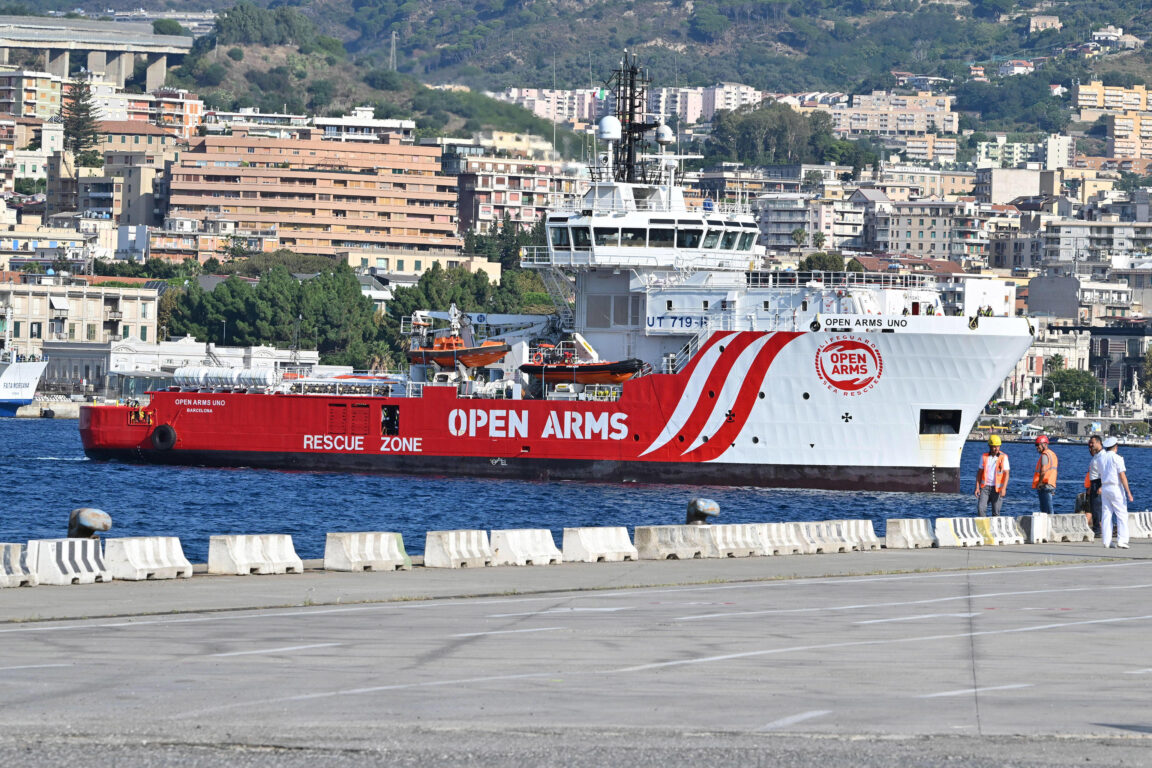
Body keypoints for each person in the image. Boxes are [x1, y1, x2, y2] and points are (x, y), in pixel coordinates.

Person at [1095, 436, 1134, 549]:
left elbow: (1102, 475)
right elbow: (1122, 476)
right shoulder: (1118, 458)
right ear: (1115, 447)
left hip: (1105, 487)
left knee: (1106, 514)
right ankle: (1122, 540)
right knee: (1121, 514)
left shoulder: (1100, 459)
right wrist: (1129, 492)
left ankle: (1106, 541)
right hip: (1116, 487)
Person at [974, 434, 1010, 517]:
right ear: (990, 446)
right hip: (985, 488)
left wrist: (1004, 488)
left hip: (997, 489)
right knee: (981, 509)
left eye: (998, 446)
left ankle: (995, 529)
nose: (996, 448)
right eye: (994, 446)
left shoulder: (1003, 457)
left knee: (996, 512)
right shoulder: (984, 457)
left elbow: (1007, 474)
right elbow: (979, 473)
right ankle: (983, 527)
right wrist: (977, 487)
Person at [1032, 435, 1058, 514]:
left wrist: (1039, 483)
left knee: (1046, 512)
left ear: (1044, 444)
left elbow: (1043, 471)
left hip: (1044, 485)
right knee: (1049, 510)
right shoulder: (1052, 454)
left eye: (1038, 445)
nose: (1037, 447)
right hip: (1051, 484)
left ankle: (1050, 526)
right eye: (1036, 445)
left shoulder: (1044, 455)